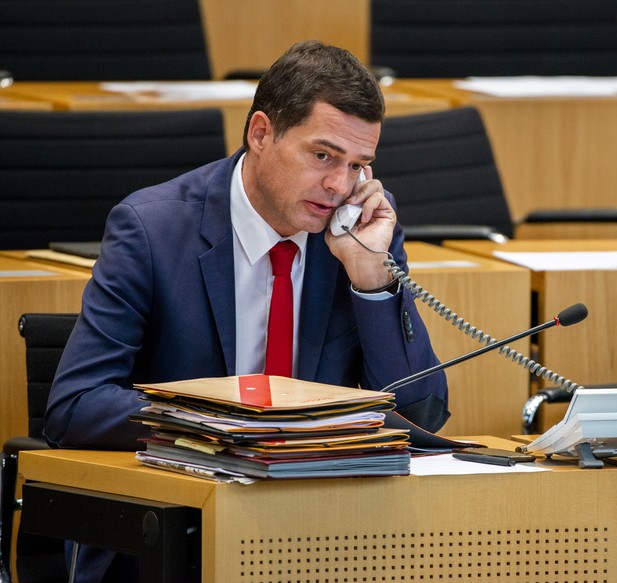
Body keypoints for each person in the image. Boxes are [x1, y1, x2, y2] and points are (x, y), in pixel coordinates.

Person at [43, 40, 451, 581]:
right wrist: (226, 426)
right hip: (178, 534)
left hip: (329, 537)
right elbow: (75, 405)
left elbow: (422, 414)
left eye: (359, 165)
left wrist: (371, 281)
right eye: (323, 155)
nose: (338, 185)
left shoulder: (363, 237)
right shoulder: (152, 230)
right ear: (261, 133)